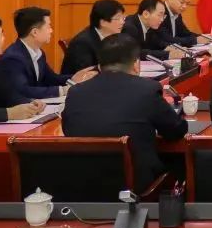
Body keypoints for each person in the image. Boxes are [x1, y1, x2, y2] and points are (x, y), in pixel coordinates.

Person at [62, 34, 188, 192]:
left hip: (82, 186)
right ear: (136, 65)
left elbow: (67, 130)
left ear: (99, 67)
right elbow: (176, 131)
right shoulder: (147, 89)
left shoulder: (75, 92)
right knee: (179, 161)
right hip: (136, 187)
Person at [0, 7, 96, 99]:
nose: (51, 31)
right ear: (35, 32)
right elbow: (23, 90)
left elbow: (50, 78)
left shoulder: (39, 53)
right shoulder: (13, 58)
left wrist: (72, 78)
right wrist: (63, 90)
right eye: (48, 26)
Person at [61, 0, 126, 74]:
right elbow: (87, 74)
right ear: (103, 22)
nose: (123, 22)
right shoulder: (82, 43)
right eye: (118, 18)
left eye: (123, 18)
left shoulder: (114, 36)